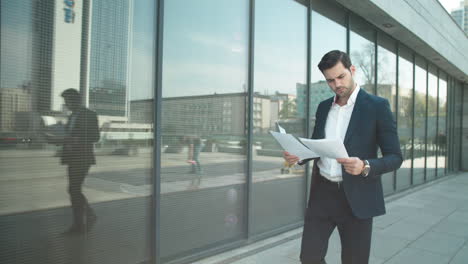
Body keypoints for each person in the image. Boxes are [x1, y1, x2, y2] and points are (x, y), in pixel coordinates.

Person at [284, 50, 402, 264]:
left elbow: (395, 157)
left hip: (357, 197)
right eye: (330, 80)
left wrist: (365, 166)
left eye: (341, 77)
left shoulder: (377, 107)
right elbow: (317, 145)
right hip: (322, 194)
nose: (337, 84)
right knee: (309, 257)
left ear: (352, 70)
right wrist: (299, 155)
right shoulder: (322, 108)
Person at [59, 88, 100, 234]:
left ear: (75, 100)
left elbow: (95, 137)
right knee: (74, 189)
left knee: (74, 189)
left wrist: (77, 139)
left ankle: (79, 225)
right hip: (72, 157)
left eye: (67, 100)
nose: (66, 103)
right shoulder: (71, 117)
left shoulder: (89, 114)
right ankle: (89, 214)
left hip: (82, 157)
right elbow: (69, 136)